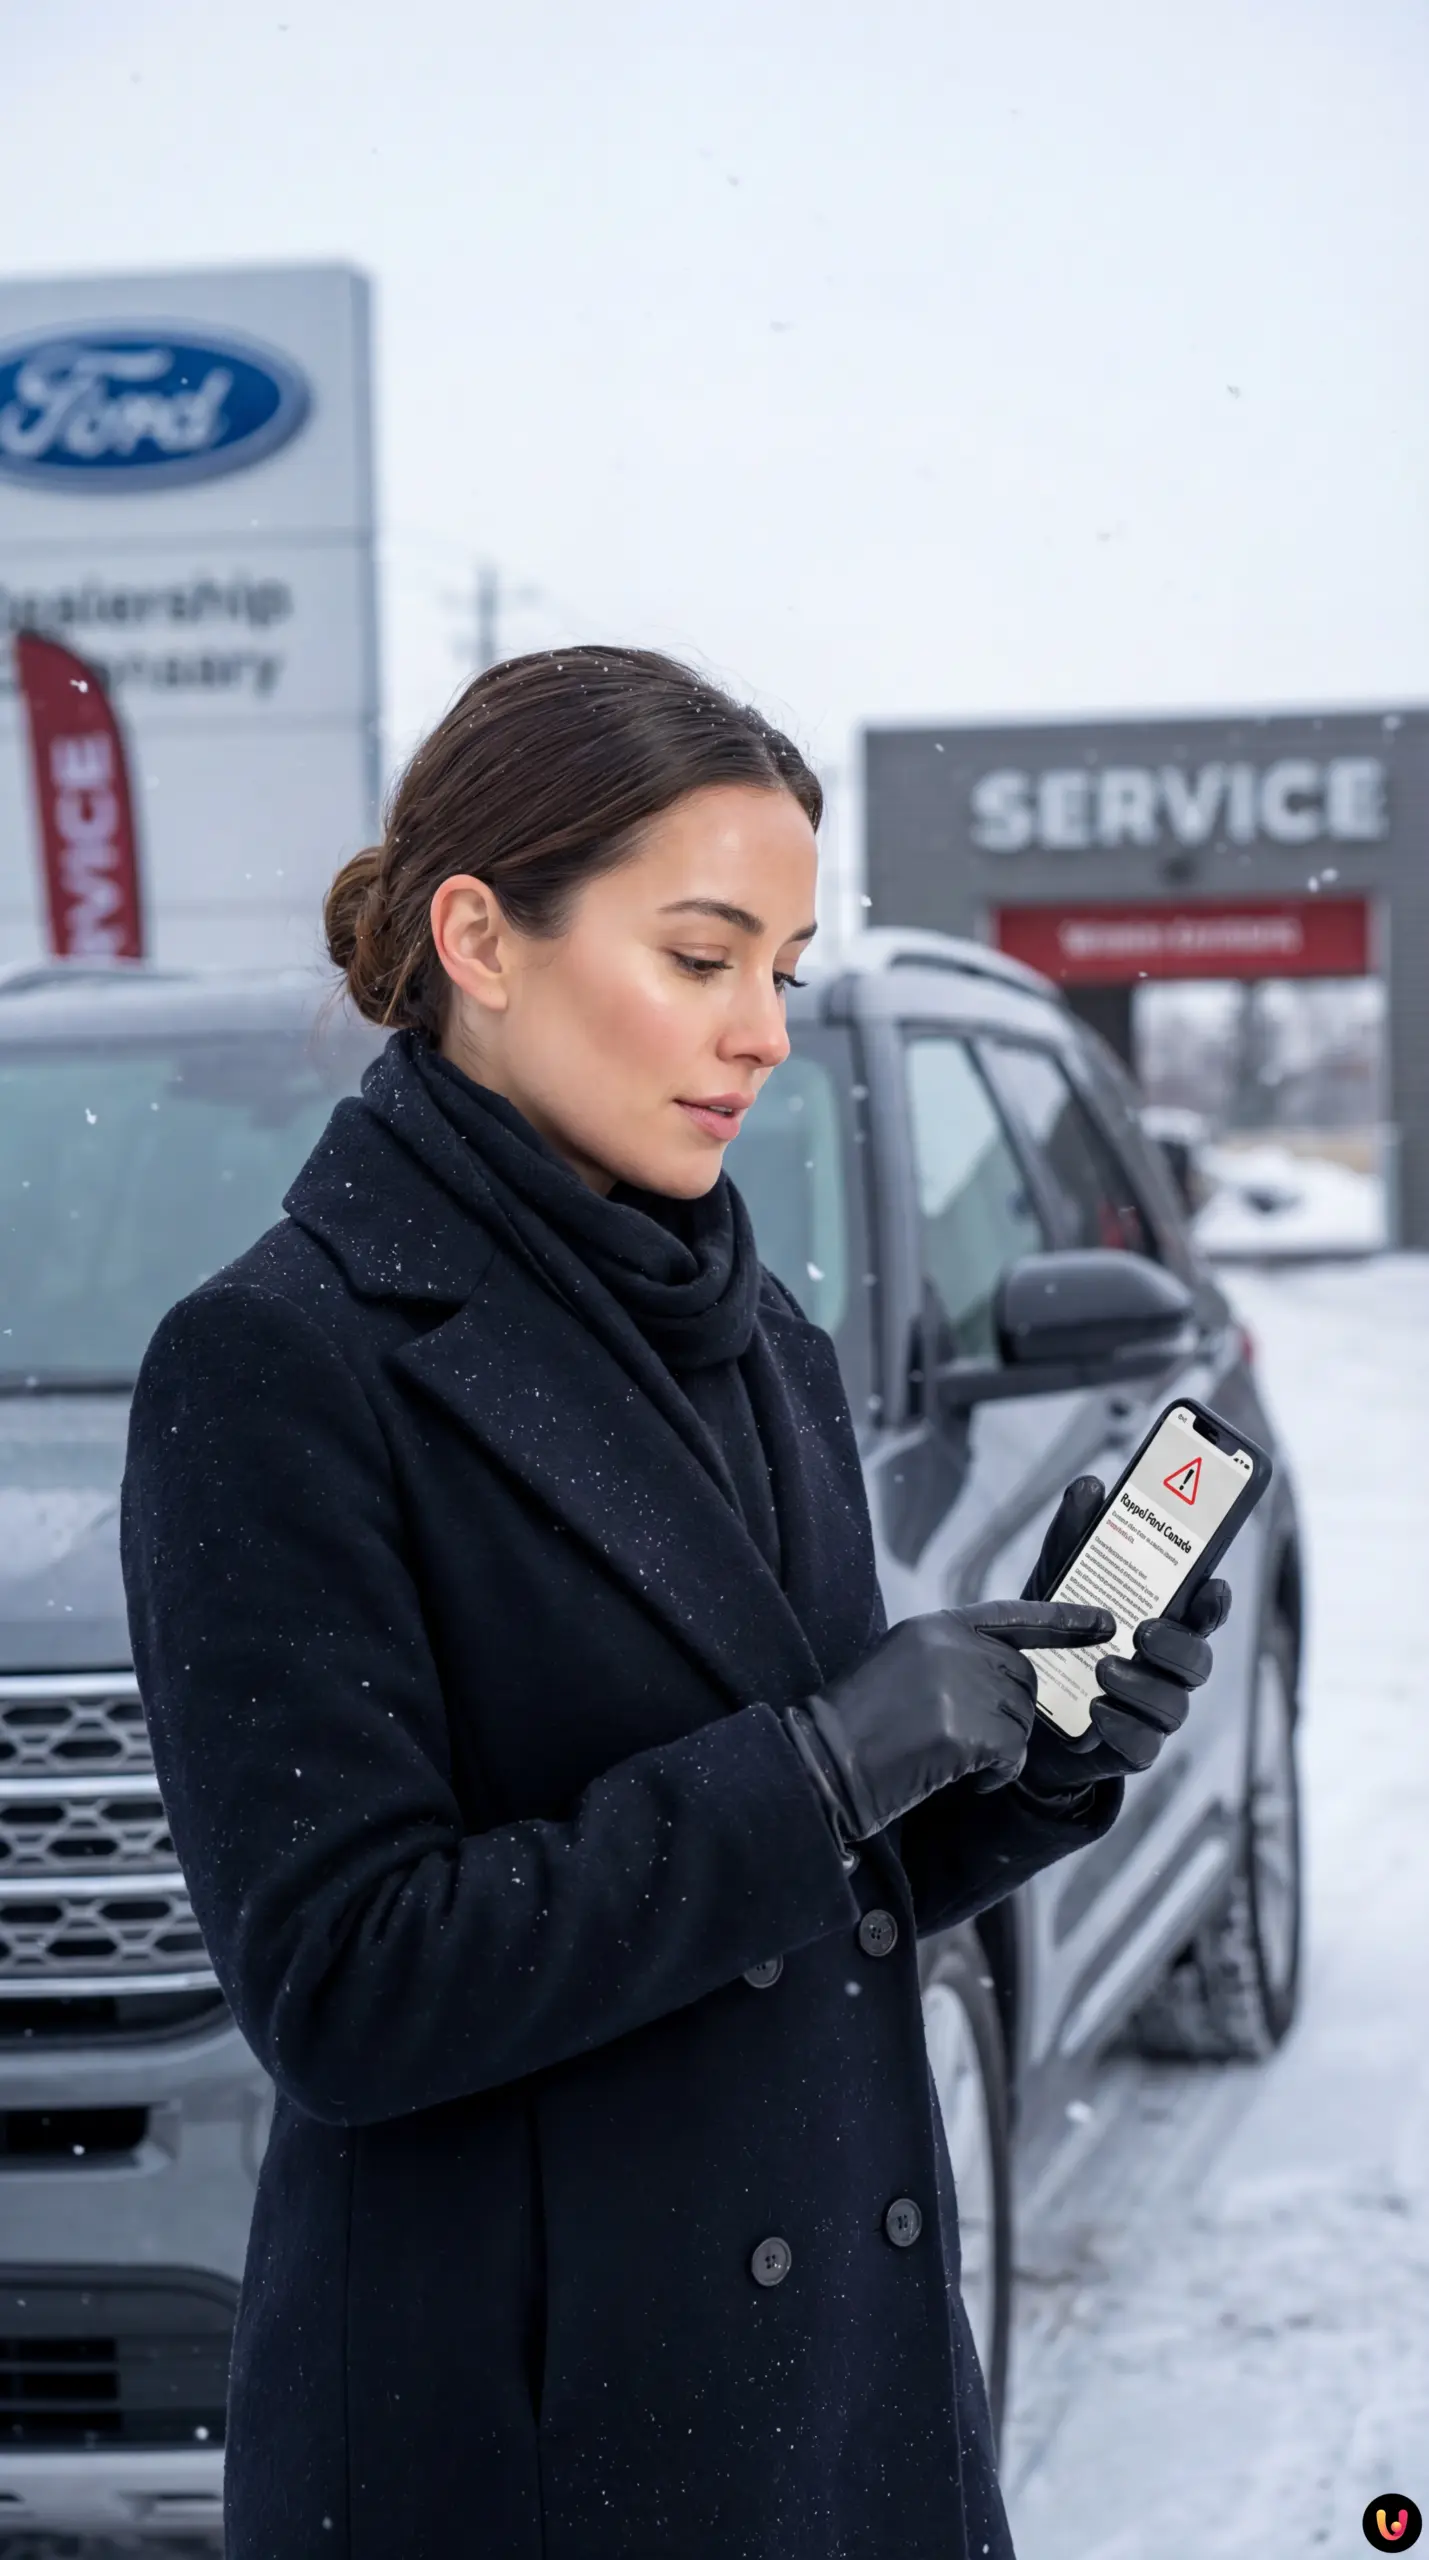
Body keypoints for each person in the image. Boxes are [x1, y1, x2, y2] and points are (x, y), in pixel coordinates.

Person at [121, 647, 1228, 2560]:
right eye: (702, 958)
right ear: (482, 936)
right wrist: (824, 1761)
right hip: (531, 2449)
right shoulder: (281, 1365)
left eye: (782, 972)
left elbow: (794, 1913)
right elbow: (349, 1990)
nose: (764, 1033)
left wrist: (1016, 1767)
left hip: (835, 2421)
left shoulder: (751, 1331)